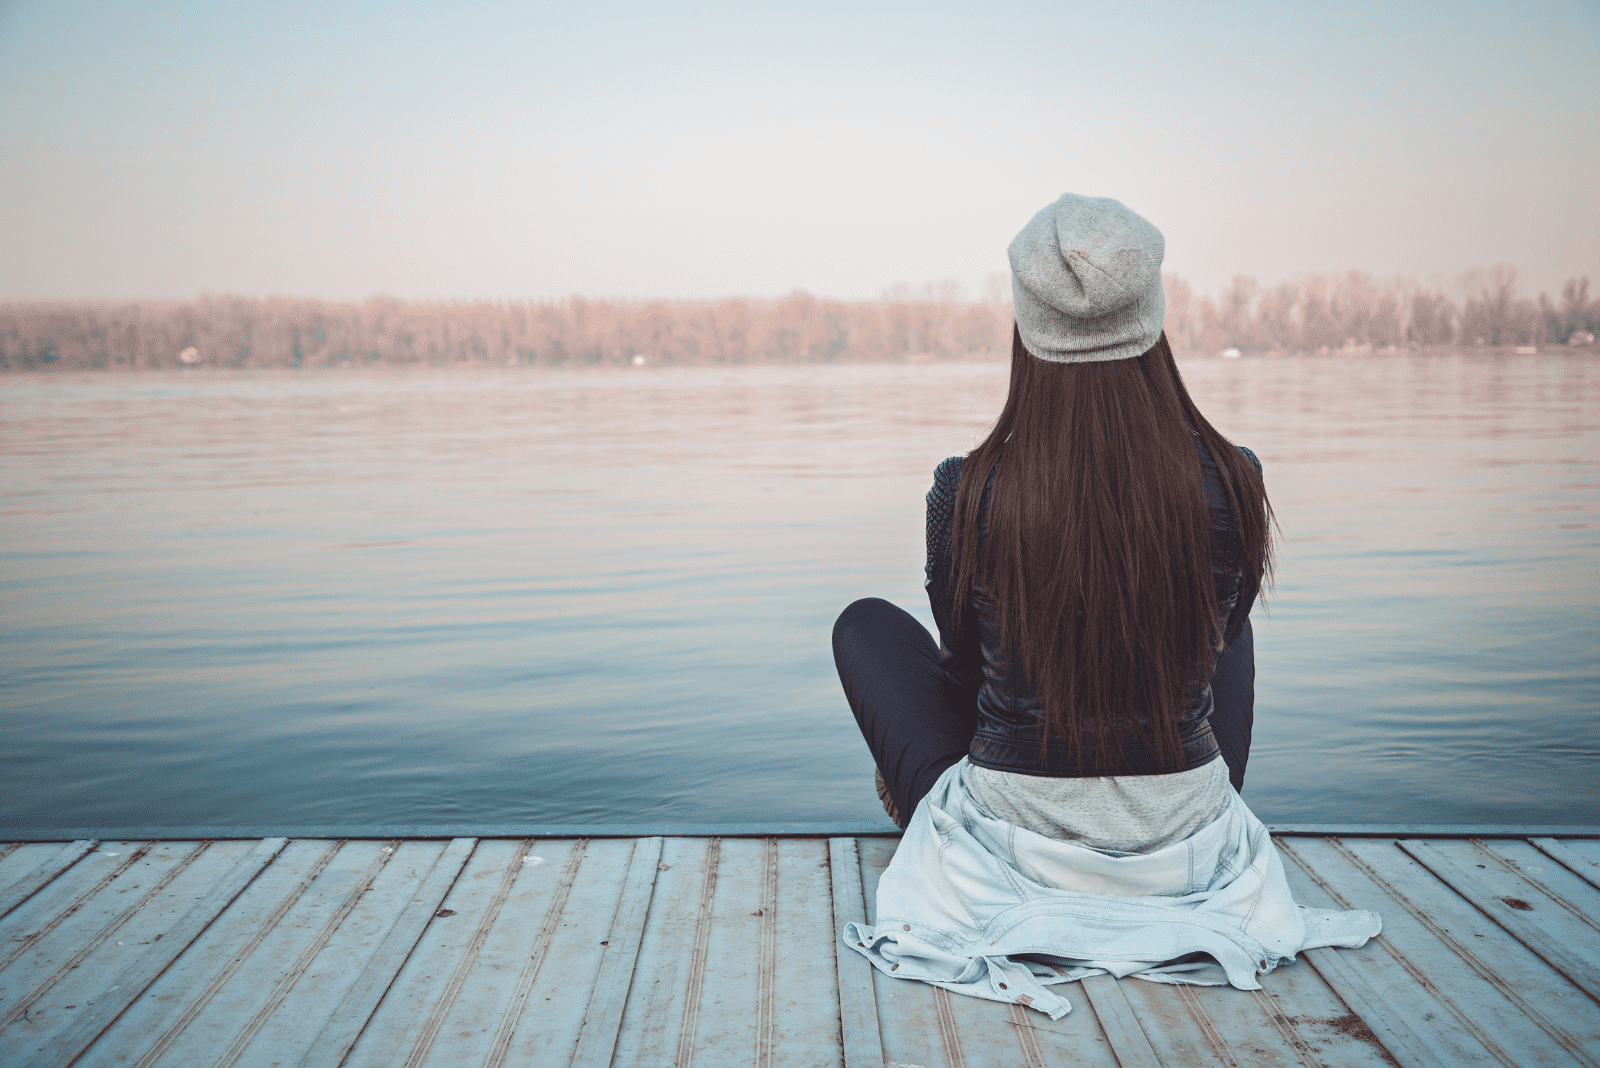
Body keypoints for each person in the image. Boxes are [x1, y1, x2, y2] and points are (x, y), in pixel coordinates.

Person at [830, 194, 1379, 1019]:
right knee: (1226, 632)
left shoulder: (968, 490)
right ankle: (1161, 809)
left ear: (1024, 324)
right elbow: (1221, 643)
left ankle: (933, 814)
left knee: (865, 626)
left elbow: (963, 668)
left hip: (1012, 849)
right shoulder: (1236, 476)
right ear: (1153, 317)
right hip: (1185, 842)